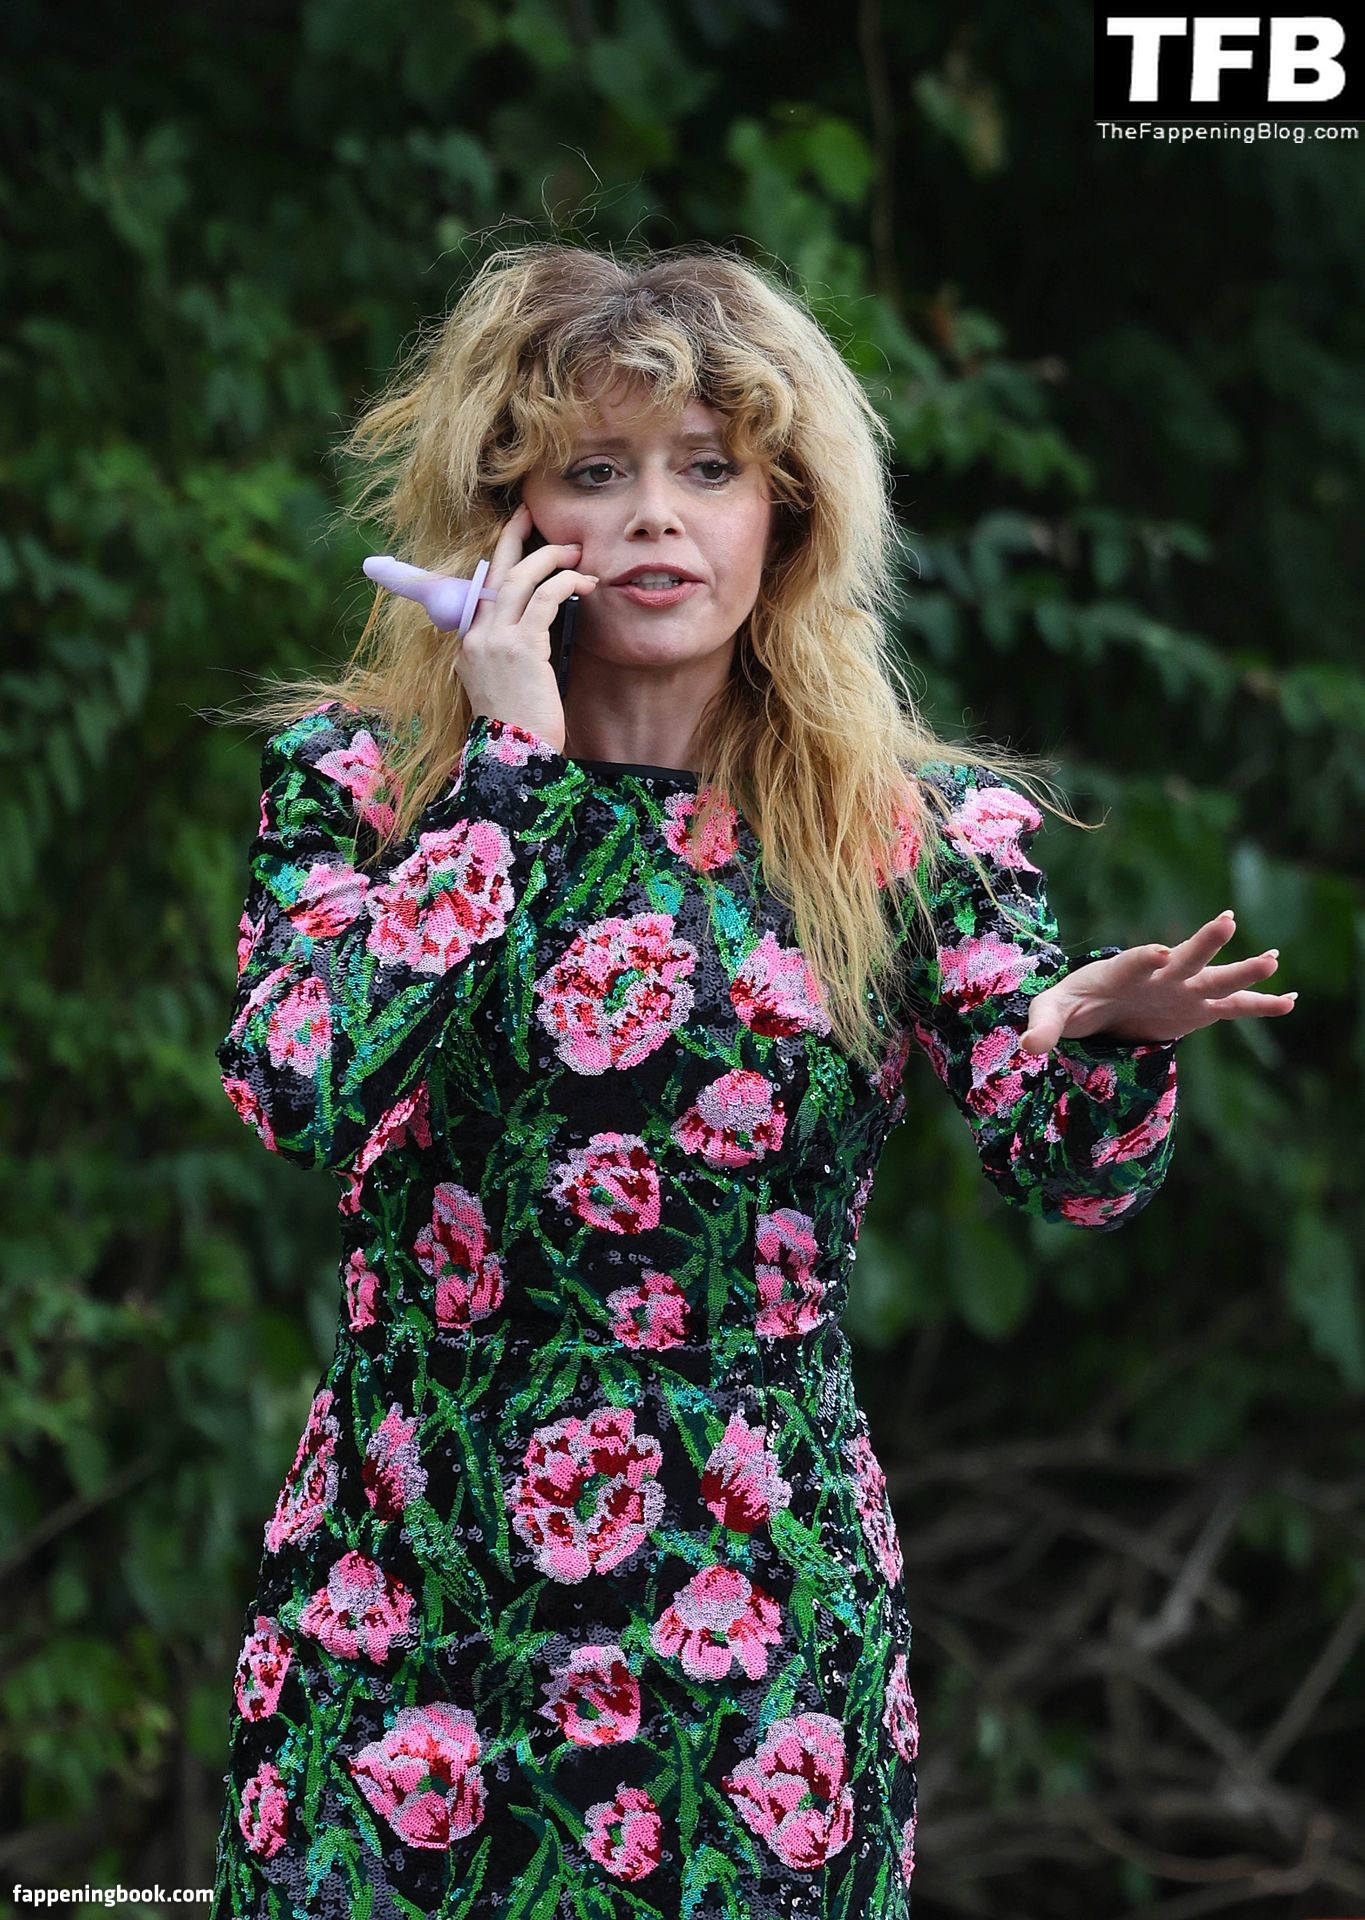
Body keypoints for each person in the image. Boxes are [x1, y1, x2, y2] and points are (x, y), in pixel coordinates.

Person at [207, 242, 1292, 1919]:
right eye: (596, 471)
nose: (655, 516)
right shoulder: (368, 784)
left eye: (707, 469)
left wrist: (1107, 1035)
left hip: (748, 1622)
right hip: (410, 1590)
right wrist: (505, 781)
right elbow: (293, 1086)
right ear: (508, 518)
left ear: (785, 513)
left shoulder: (894, 830)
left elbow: (1072, 1172)